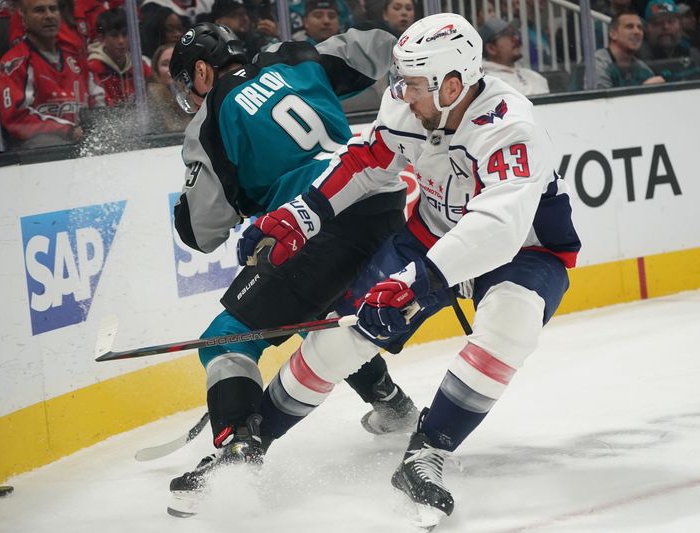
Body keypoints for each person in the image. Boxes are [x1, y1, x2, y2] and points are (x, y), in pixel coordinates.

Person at [240, 12, 581, 520]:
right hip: (431, 235)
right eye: (400, 81)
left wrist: (418, 281)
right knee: (338, 338)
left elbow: (500, 225)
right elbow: (367, 162)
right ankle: (248, 446)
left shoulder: (511, 125)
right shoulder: (409, 107)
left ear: (453, 83)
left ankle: (427, 453)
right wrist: (300, 216)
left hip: (525, 250)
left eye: (414, 84)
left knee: (512, 322)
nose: (402, 94)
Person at [166, 22, 419, 517]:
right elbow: (389, 49)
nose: (187, 97)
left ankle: (238, 447)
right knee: (320, 312)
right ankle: (393, 404)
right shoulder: (294, 56)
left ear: (201, 71)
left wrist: (193, 202)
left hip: (314, 225)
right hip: (381, 196)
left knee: (228, 338)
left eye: (185, 84)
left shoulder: (210, 119)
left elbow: (203, 231)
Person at [0, 0, 106, 146]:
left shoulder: (76, 60)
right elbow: (16, 119)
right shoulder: (14, 63)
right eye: (39, 10)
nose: (49, 16)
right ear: (24, 16)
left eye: (53, 9)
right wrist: (67, 129)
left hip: (84, 147)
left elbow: (100, 103)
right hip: (41, 156)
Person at [88, 7, 154, 105]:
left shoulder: (140, 66)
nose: (121, 41)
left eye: (125, 34)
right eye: (114, 36)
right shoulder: (93, 68)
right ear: (101, 38)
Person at [587, 10, 665, 88]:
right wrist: (642, 90)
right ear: (613, 34)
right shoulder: (597, 64)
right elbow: (601, 99)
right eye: (629, 27)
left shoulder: (643, 69)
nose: (637, 31)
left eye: (640, 27)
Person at [479, 17, 550, 96]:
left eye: (514, 33)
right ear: (491, 48)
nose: (516, 38)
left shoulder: (533, 75)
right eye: (507, 34)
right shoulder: (487, 82)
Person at [639, 0, 700, 81]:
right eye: (657, 23)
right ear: (646, 29)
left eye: (671, 21)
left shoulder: (693, 55)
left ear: (680, 25)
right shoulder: (639, 61)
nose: (665, 27)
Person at [146, 43, 191, 131]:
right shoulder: (151, 99)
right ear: (156, 70)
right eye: (165, 64)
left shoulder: (197, 93)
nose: (171, 69)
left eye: (176, 63)